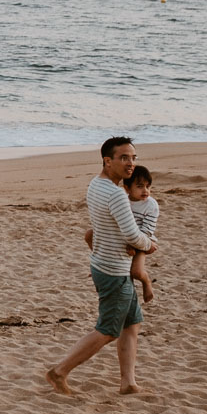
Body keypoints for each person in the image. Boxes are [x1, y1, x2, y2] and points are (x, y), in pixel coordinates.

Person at [46, 136, 157, 396]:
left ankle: (128, 383)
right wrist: (149, 244)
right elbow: (132, 235)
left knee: (131, 324)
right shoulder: (117, 194)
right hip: (114, 270)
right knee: (107, 331)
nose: (130, 163)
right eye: (123, 158)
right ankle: (59, 372)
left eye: (133, 158)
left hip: (104, 262)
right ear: (108, 161)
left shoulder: (96, 185)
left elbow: (102, 229)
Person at [83, 165, 159, 302]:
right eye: (140, 186)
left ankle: (146, 281)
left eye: (148, 186)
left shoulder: (151, 205)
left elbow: (147, 230)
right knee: (89, 235)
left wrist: (134, 246)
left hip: (142, 240)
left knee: (136, 272)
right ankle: (100, 264)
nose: (145, 191)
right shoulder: (122, 199)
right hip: (121, 236)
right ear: (127, 188)